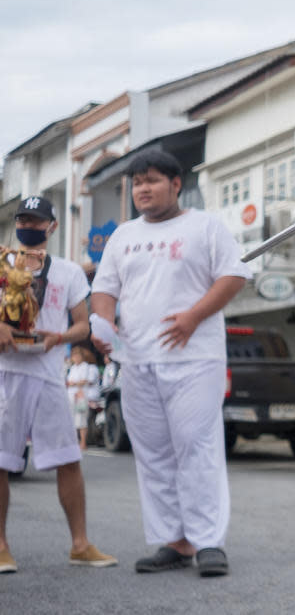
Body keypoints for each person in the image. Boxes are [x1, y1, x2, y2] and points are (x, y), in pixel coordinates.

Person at [90, 149, 250, 577]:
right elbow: (104, 291)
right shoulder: (123, 236)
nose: (143, 188)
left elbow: (233, 275)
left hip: (195, 359)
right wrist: (103, 326)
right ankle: (174, 541)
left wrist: (193, 317)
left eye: (152, 180)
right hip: (138, 360)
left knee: (196, 447)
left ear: (176, 184)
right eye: (137, 183)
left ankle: (208, 542)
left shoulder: (205, 226)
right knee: (153, 454)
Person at [0, 196, 117, 574]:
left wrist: (59, 338)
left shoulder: (68, 272)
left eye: (37, 220)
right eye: (24, 219)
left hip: (49, 373)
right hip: (5, 372)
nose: (30, 225)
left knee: (68, 459)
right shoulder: (1, 261)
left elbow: (83, 324)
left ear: (51, 227)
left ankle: (80, 544)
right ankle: (0, 546)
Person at [66, 343, 100, 451]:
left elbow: (84, 381)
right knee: (71, 420)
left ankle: (83, 442)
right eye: (74, 356)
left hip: (81, 396)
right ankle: (74, 442)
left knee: (81, 420)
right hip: (71, 395)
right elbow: (69, 381)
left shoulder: (86, 366)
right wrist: (74, 383)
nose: (75, 358)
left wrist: (74, 384)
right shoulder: (73, 367)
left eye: (77, 355)